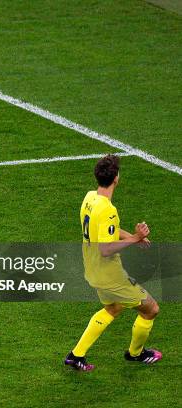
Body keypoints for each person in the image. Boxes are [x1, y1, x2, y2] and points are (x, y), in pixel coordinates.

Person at [65, 154, 161, 371]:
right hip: (110, 275)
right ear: (116, 178)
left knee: (113, 307)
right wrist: (135, 238)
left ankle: (76, 355)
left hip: (92, 268)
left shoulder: (90, 198)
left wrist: (132, 238)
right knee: (151, 309)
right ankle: (135, 354)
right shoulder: (108, 210)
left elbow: (105, 232)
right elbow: (106, 248)